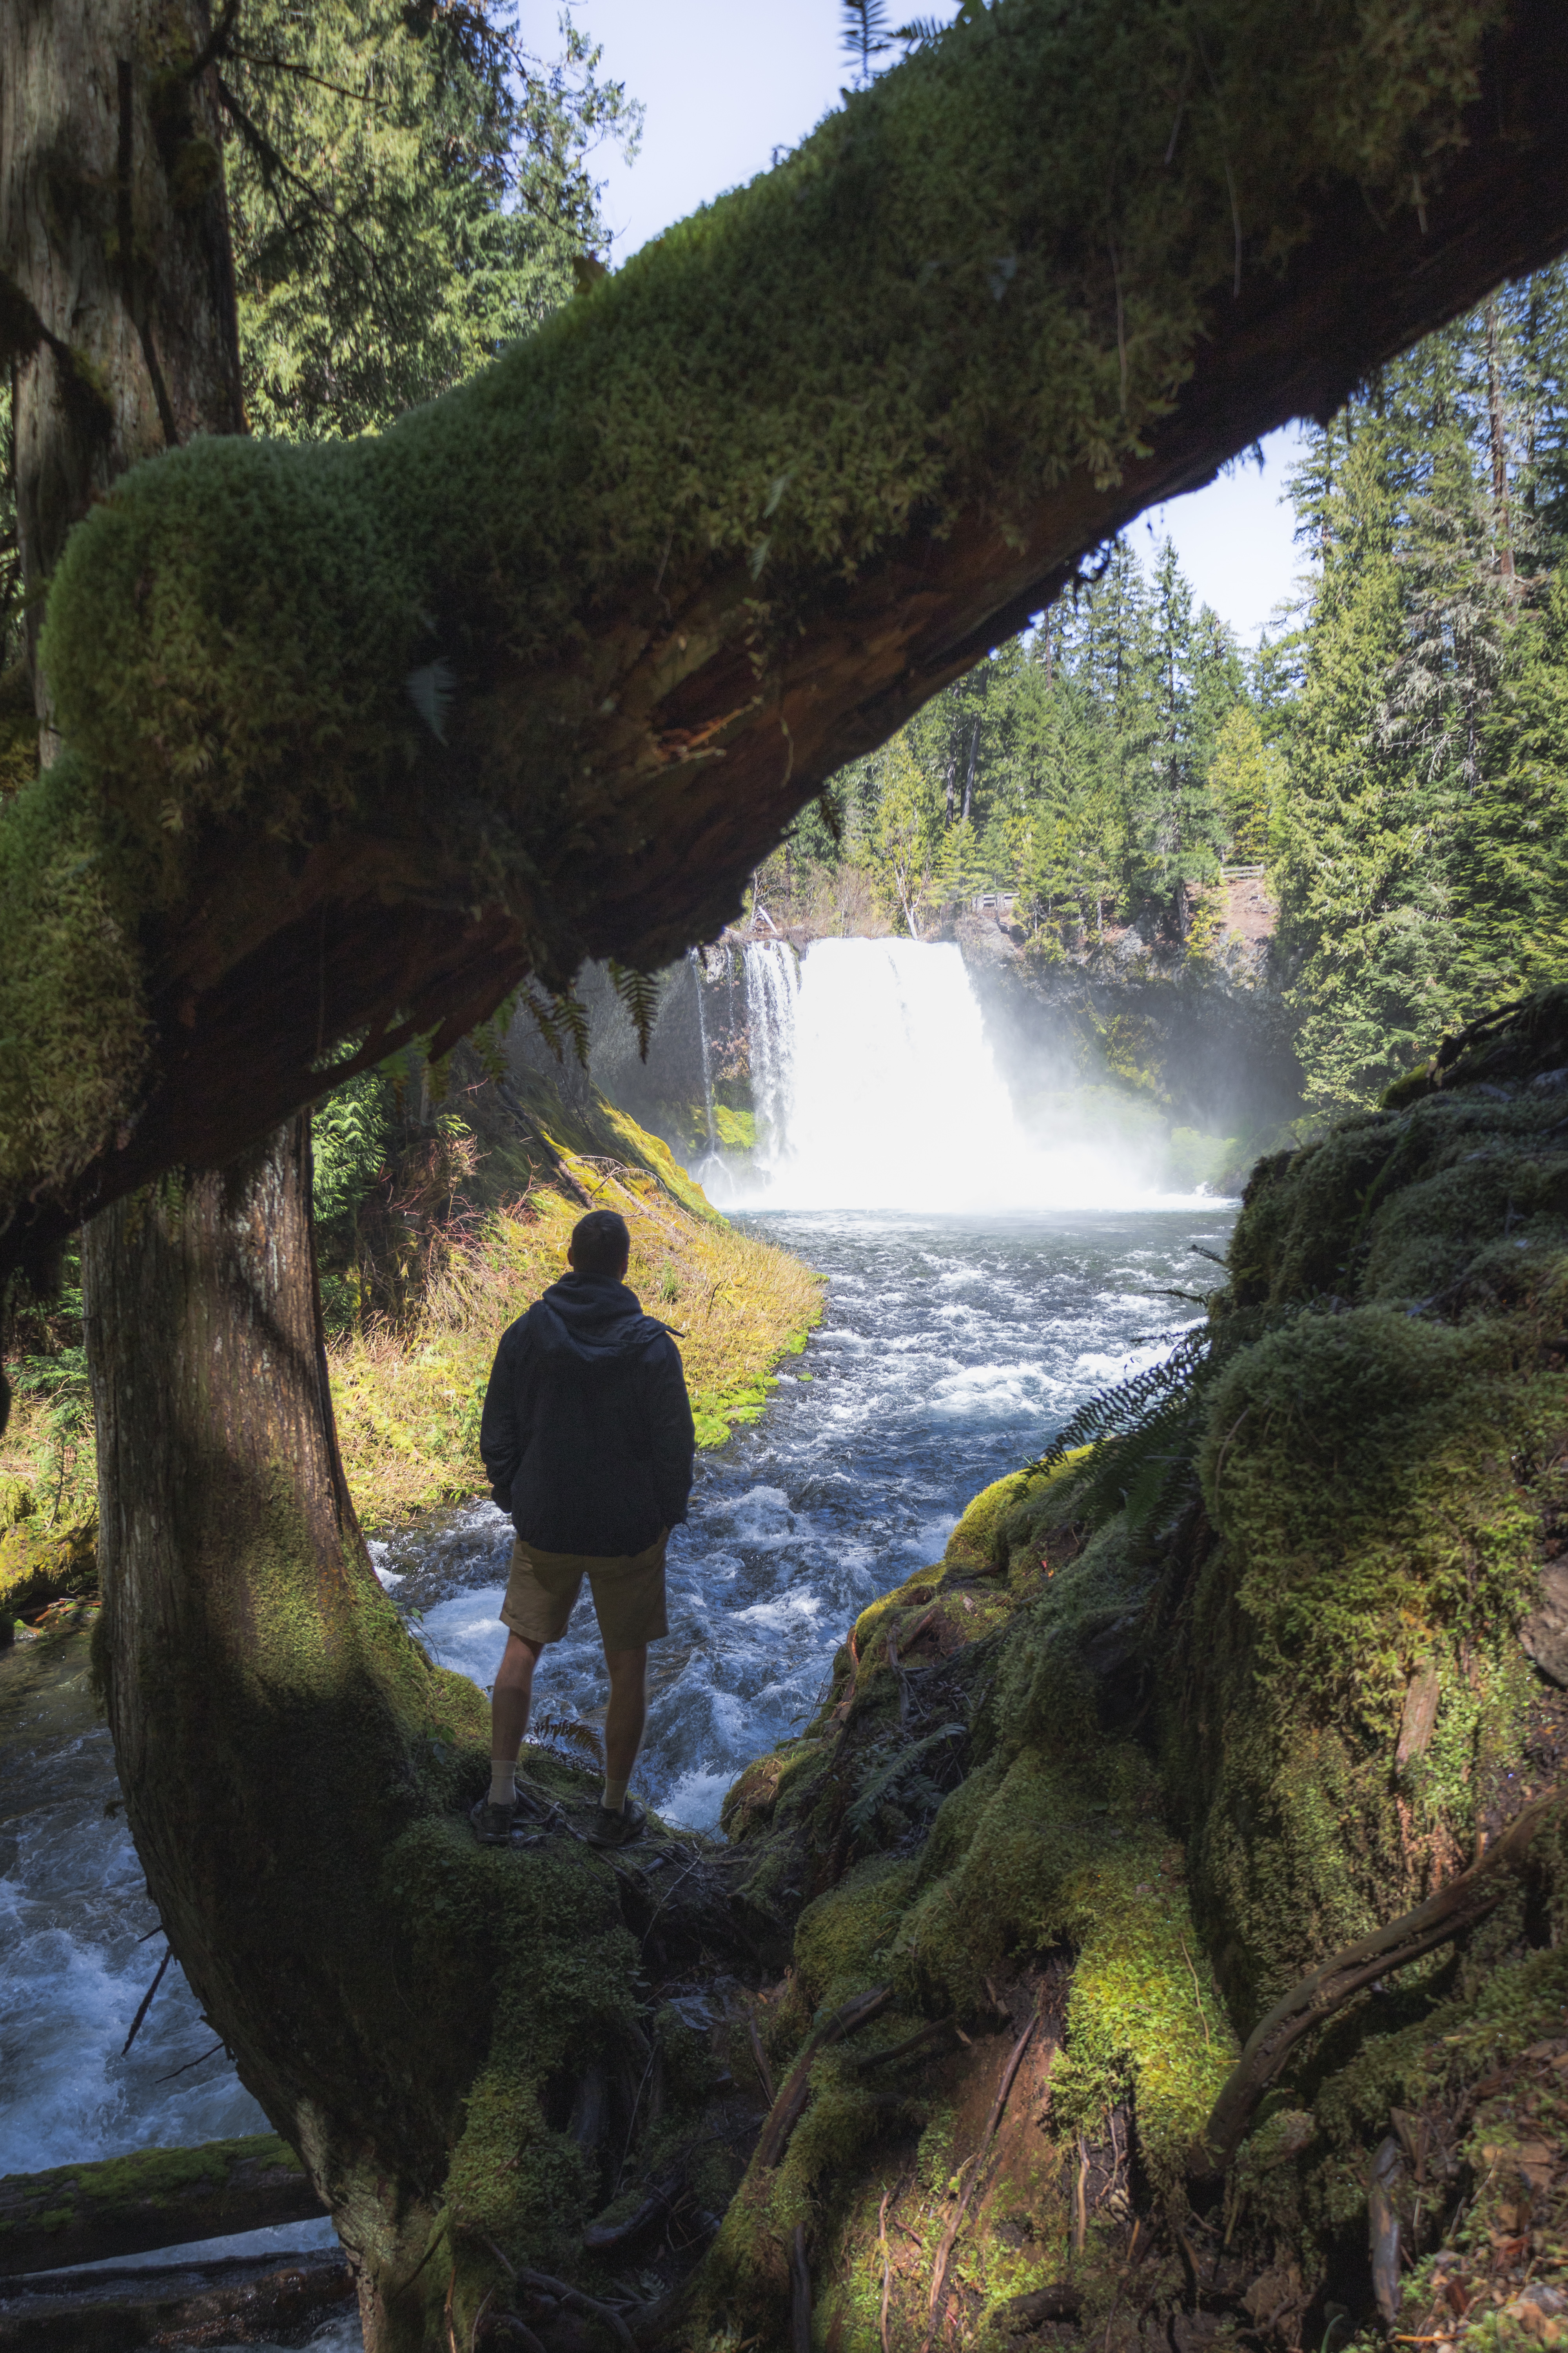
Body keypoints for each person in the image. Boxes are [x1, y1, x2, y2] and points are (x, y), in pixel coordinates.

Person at [473, 1207, 695, 1848]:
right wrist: (664, 1517)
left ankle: (499, 1797)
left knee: (522, 1648)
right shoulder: (652, 1345)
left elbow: (498, 1428)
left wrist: (515, 1493)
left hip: (546, 1519)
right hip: (628, 1529)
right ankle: (612, 1809)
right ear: (624, 1265)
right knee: (628, 1668)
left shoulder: (526, 1333)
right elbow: (674, 1447)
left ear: (571, 1260)